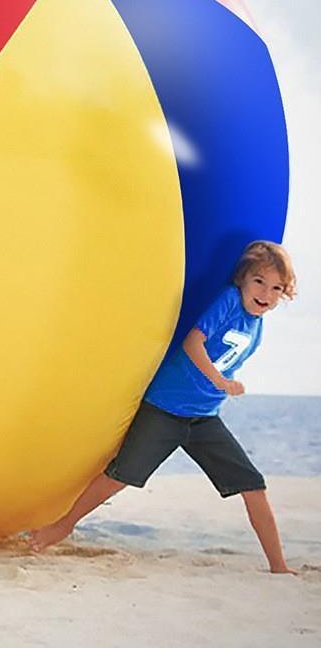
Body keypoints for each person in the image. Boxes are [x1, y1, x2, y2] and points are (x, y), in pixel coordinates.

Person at [28, 240, 298, 574]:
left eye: (276, 288)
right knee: (119, 475)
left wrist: (221, 384)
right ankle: (62, 526)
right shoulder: (229, 301)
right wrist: (221, 382)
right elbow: (193, 342)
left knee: (253, 486)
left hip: (203, 419)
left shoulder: (256, 326)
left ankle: (279, 567)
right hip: (165, 409)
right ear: (242, 279)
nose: (266, 293)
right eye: (259, 281)